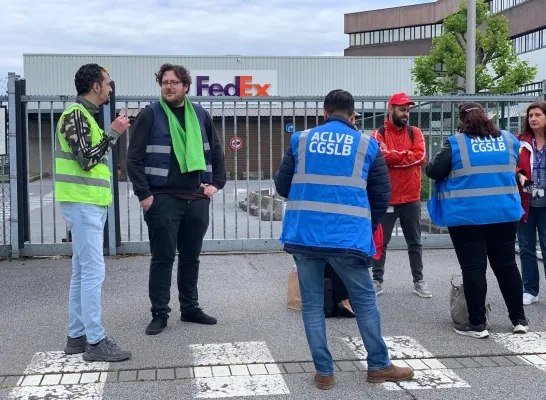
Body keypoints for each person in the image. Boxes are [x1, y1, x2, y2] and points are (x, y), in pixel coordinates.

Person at [274, 89, 414, 390]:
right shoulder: (367, 144)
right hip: (347, 237)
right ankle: (378, 365)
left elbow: (282, 185)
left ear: (324, 113)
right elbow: (381, 195)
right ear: (353, 116)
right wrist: (366, 224)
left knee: (311, 304)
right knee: (364, 300)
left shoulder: (301, 140)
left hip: (305, 235)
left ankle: (324, 373)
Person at [127, 63, 227, 335]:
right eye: (164, 82)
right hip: (162, 199)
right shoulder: (150, 114)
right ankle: (159, 313)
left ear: (185, 87)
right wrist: (144, 195)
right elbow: (133, 158)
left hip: (196, 198)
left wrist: (216, 183)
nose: (168, 87)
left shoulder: (199, 115)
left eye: (173, 82)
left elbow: (215, 151)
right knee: (163, 258)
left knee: (191, 258)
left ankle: (190, 308)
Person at [425, 102, 529, 338]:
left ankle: (477, 324)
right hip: (504, 214)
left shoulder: (457, 144)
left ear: (462, 121)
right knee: (507, 266)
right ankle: (519, 320)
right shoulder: (508, 139)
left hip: (467, 216)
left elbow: (433, 170)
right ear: (488, 117)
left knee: (474, 269)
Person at [56, 63, 132, 362]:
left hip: (88, 202)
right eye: (108, 83)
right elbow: (87, 159)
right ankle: (95, 341)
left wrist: (110, 132)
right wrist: (114, 133)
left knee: (81, 271)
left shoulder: (86, 116)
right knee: (92, 272)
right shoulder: (75, 115)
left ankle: (76, 336)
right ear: (96, 86)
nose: (110, 89)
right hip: (82, 202)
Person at [371, 93, 431, 298]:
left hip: (411, 198)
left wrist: (394, 157)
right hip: (386, 198)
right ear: (391, 109)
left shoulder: (415, 132)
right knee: (381, 242)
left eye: (407, 110)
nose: (406, 114)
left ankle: (419, 281)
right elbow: (380, 157)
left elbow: (421, 156)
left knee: (414, 242)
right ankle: (377, 280)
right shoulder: (378, 134)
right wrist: (407, 156)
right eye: (402, 109)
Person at [515, 101, 546, 305]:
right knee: (526, 247)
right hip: (526, 202)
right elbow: (514, 165)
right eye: (530, 115)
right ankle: (530, 289)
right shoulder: (521, 141)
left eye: (537, 115)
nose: (533, 118)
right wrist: (520, 175)